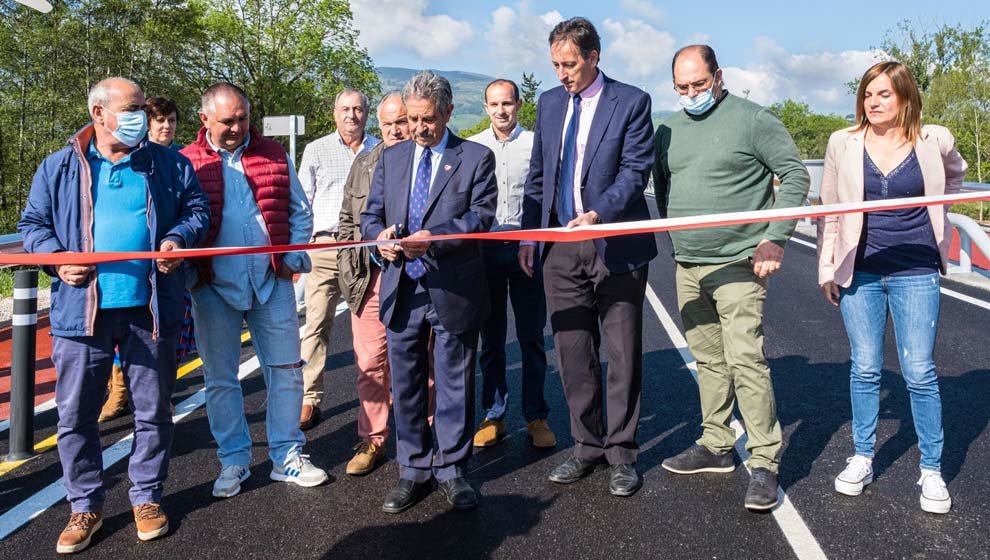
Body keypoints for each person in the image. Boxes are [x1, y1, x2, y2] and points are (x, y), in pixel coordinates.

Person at [18, 77, 209, 553]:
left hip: (151, 309)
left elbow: (197, 210)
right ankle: (84, 505)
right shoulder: (59, 167)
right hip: (82, 313)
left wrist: (179, 240)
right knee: (77, 415)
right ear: (99, 114)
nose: (141, 116)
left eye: (143, 108)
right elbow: (33, 226)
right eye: (131, 108)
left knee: (153, 410)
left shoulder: (167, 163)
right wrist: (58, 259)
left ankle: (146, 496)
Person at [653, 45, 810, 511]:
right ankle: (716, 444)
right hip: (688, 263)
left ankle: (764, 461)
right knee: (707, 358)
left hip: (740, 262)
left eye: (699, 85)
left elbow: (796, 176)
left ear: (718, 76)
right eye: (682, 88)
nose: (691, 94)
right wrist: (681, 237)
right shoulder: (669, 128)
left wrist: (774, 237)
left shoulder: (752, 120)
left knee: (746, 358)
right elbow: (665, 185)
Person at [817, 61, 966, 514]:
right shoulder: (842, 143)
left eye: (883, 94)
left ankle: (932, 469)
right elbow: (829, 207)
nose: (873, 103)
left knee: (919, 369)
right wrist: (827, 266)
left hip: (915, 269)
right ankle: (862, 456)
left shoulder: (934, 138)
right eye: (867, 94)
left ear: (904, 97)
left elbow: (956, 177)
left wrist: (941, 224)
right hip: (858, 269)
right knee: (864, 367)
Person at [519, 17, 656, 497]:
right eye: (555, 63)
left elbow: (636, 169)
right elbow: (538, 177)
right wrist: (529, 239)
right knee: (573, 354)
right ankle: (586, 447)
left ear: (594, 57)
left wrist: (600, 213)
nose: (562, 73)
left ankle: (621, 453)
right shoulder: (550, 103)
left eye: (570, 63)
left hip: (615, 245)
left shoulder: (632, 101)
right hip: (561, 248)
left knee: (620, 355)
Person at [180, 83, 329, 500]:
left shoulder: (275, 155)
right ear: (204, 118)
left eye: (243, 117)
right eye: (227, 120)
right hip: (212, 288)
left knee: (285, 370)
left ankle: (288, 455)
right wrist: (194, 276)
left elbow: (301, 212)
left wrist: (291, 262)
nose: (237, 127)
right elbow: (177, 223)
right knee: (221, 378)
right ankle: (233, 460)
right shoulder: (185, 162)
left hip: (271, 284)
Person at [361, 70, 497, 514]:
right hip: (402, 288)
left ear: (449, 112)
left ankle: (453, 470)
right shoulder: (393, 157)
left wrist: (432, 238)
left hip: (452, 288)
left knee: (455, 384)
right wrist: (378, 236)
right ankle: (414, 469)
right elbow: (371, 214)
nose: (419, 128)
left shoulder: (476, 157)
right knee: (408, 384)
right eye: (413, 119)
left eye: (428, 120)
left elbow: (480, 218)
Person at [468, 79, 554, 449]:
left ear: (519, 105)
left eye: (508, 103)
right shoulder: (474, 148)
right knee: (491, 342)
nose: (501, 110)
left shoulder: (536, 145)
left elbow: (544, 196)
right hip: (486, 252)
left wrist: (532, 239)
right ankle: (494, 415)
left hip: (527, 250)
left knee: (532, 337)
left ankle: (536, 416)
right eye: (494, 104)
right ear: (486, 108)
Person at [99, 95, 193, 423]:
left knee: (167, 338)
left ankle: (161, 395)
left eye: (172, 121)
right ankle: (120, 390)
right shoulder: (128, 154)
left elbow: (195, 209)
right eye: (160, 121)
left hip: (169, 268)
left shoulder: (183, 157)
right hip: (122, 270)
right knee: (117, 334)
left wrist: (180, 239)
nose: (166, 127)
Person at [297, 89, 379, 430]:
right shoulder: (316, 150)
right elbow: (303, 203)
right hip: (325, 248)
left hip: (366, 251)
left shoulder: (382, 150)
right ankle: (309, 398)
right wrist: (301, 251)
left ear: (367, 113)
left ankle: (375, 403)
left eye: (358, 109)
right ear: (334, 113)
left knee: (371, 332)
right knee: (315, 327)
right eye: (345, 109)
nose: (352, 115)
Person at [337, 92, 409, 475]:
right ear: (377, 125)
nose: (396, 130)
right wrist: (368, 254)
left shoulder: (426, 160)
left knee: (422, 362)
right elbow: (347, 223)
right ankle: (373, 439)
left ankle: (426, 434)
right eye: (388, 123)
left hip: (418, 278)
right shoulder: (364, 163)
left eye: (402, 121)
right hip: (371, 278)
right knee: (370, 363)